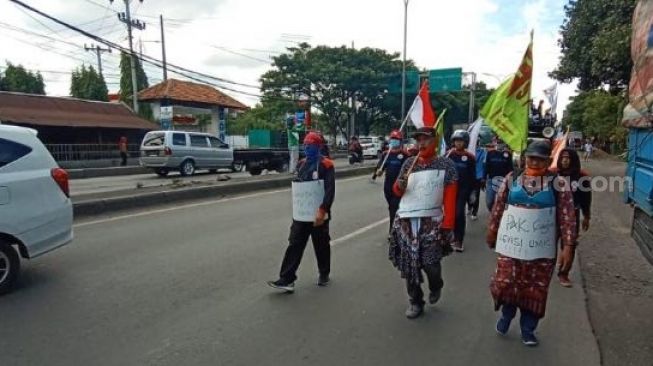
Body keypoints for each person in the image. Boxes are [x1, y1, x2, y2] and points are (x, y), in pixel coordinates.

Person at [487, 140, 577, 347]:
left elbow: (567, 217)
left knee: (535, 289)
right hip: (512, 246)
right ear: (525, 158)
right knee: (507, 283)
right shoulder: (512, 178)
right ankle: (506, 315)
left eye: (540, 159)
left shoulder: (558, 184)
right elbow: (498, 207)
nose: (535, 162)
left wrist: (568, 247)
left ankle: (528, 329)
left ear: (547, 161)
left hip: (541, 250)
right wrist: (492, 231)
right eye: (531, 158)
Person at [389, 126, 458, 319]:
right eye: (418, 140)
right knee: (410, 264)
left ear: (434, 141)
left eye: (425, 139)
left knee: (431, 264)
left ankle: (436, 285)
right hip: (407, 222)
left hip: (432, 222)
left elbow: (451, 196)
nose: (421, 143)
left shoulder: (446, 165)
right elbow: (397, 190)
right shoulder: (409, 163)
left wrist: (448, 223)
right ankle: (415, 301)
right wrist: (399, 185)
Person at [267, 132, 336, 293]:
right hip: (302, 214)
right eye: (305, 145)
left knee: (321, 245)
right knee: (295, 244)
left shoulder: (326, 165)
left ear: (318, 147)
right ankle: (287, 278)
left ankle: (324, 273)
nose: (307, 148)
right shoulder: (301, 164)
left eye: (310, 145)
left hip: (319, 214)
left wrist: (322, 210)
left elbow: (329, 190)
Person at [552, 148, 592, 287]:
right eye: (562, 157)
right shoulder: (552, 175)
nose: (565, 160)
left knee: (569, 245)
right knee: (549, 244)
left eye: (568, 157)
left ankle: (564, 273)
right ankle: (547, 269)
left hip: (571, 216)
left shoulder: (582, 177)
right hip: (553, 215)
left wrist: (586, 217)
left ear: (573, 159)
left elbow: (586, 199)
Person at [446, 130, 476, 252]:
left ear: (465, 142)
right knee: (450, 214)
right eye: (456, 141)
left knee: (459, 214)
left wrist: (473, 192)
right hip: (449, 189)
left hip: (463, 189)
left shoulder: (469, 157)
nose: (458, 143)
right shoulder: (448, 155)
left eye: (461, 141)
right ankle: (451, 236)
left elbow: (472, 176)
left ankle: (459, 240)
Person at [372, 130, 408, 233]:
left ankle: (392, 232)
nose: (394, 141)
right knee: (392, 208)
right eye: (392, 139)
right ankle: (399, 226)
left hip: (398, 186)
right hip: (387, 186)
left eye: (396, 139)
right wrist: (378, 172)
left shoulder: (404, 155)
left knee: (394, 207)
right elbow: (380, 167)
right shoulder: (385, 154)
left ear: (400, 141)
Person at [483, 141, 514, 212]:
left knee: (501, 201)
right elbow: (486, 167)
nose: (500, 144)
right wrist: (483, 178)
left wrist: (510, 184)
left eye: (502, 142)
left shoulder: (508, 154)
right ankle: (492, 212)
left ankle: (497, 215)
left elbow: (510, 170)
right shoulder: (490, 153)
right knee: (489, 202)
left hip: (503, 182)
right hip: (491, 181)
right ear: (495, 144)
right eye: (498, 142)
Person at [467, 144, 486, 221]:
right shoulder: (467, 151)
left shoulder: (483, 151)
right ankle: (470, 205)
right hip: (468, 176)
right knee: (468, 193)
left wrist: (484, 177)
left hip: (478, 176)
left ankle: (474, 212)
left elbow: (485, 163)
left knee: (476, 194)